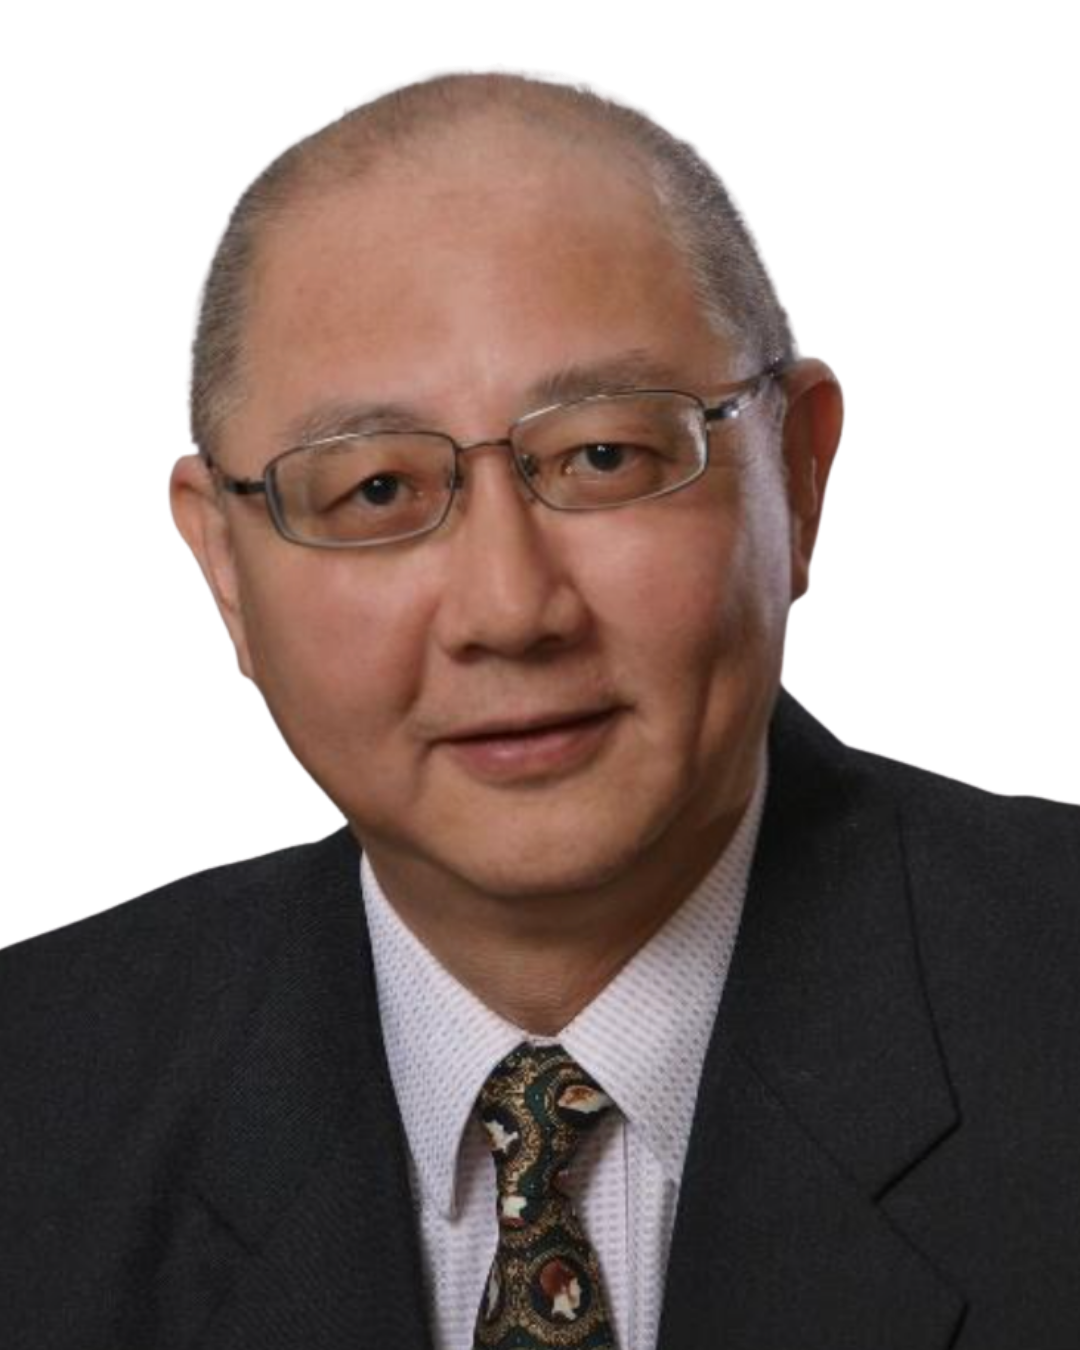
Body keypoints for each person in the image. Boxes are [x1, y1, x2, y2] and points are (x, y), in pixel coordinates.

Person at [2, 65, 1077, 1350]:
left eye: (605, 456)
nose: (510, 610)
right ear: (224, 572)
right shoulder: (35, 1092)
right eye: (378, 491)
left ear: (801, 472)